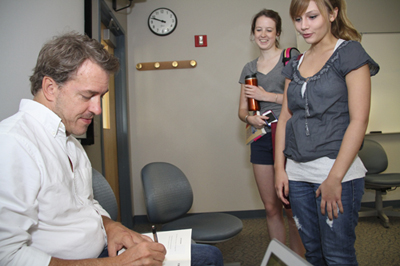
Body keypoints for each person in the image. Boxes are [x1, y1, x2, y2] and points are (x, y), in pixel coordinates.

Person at [0, 32, 223, 266]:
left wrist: (112, 227)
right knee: (205, 260)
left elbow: (86, 205)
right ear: (50, 88)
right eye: (88, 96)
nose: (97, 109)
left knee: (208, 256)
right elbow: (7, 256)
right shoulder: (13, 143)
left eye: (101, 97)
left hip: (99, 253)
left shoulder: (68, 141)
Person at [274, 0, 380, 265]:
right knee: (314, 254)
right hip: (297, 175)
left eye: (312, 17)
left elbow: (359, 120)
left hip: (336, 173)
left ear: (333, 14)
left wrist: (334, 178)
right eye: (298, 20)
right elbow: (285, 117)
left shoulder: (349, 53)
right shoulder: (295, 63)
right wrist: (279, 168)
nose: (304, 26)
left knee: (338, 256)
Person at [238, 9, 304, 255]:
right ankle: (280, 258)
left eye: (269, 29)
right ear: (252, 34)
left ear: (277, 33)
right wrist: (250, 118)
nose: (263, 34)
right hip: (261, 138)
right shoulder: (248, 68)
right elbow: (241, 110)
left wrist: (267, 96)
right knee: (270, 207)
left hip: (288, 137)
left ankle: (299, 259)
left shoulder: (291, 58)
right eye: (259, 29)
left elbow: (298, 99)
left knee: (291, 207)